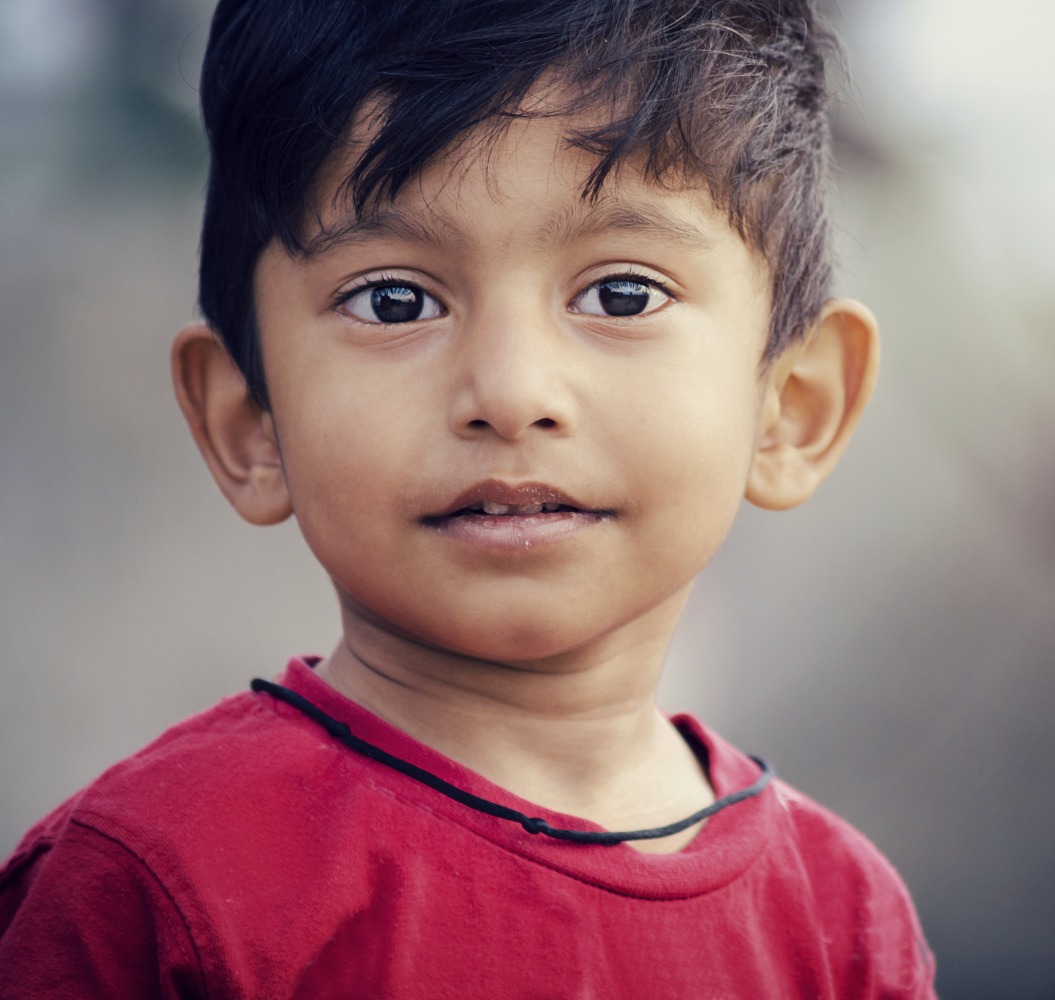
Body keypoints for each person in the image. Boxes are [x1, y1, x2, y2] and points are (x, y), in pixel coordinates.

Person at [0, 0, 936, 996]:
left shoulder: (843, 922)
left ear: (792, 406)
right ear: (250, 420)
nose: (511, 392)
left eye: (622, 293)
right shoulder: (153, 886)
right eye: (394, 300)